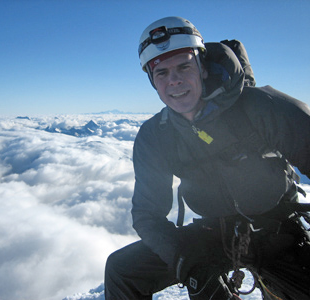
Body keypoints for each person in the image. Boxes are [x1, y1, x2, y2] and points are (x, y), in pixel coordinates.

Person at [104, 16, 310, 299]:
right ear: (152, 81)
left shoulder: (263, 107)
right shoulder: (156, 135)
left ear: (201, 67)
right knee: (122, 269)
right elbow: (147, 215)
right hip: (214, 234)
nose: (173, 80)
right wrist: (184, 258)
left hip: (277, 232)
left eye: (183, 67)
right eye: (161, 73)